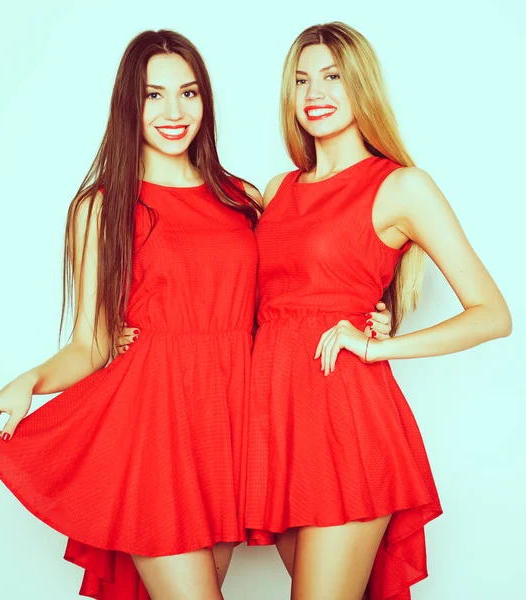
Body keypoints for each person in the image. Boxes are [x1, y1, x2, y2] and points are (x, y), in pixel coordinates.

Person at [0, 29, 264, 600]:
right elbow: (91, 342)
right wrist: (27, 383)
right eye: (152, 95)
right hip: (154, 427)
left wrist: (378, 315)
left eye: (188, 93)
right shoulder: (104, 206)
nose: (173, 111)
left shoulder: (243, 199)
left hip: (229, 427)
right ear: (128, 104)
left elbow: (291, 298)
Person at [244, 21, 512, 600]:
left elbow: (492, 313)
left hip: (348, 426)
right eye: (301, 80)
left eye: (333, 77)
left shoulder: (402, 187)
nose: (315, 92)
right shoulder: (276, 189)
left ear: (361, 85)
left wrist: (379, 344)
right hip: (277, 427)